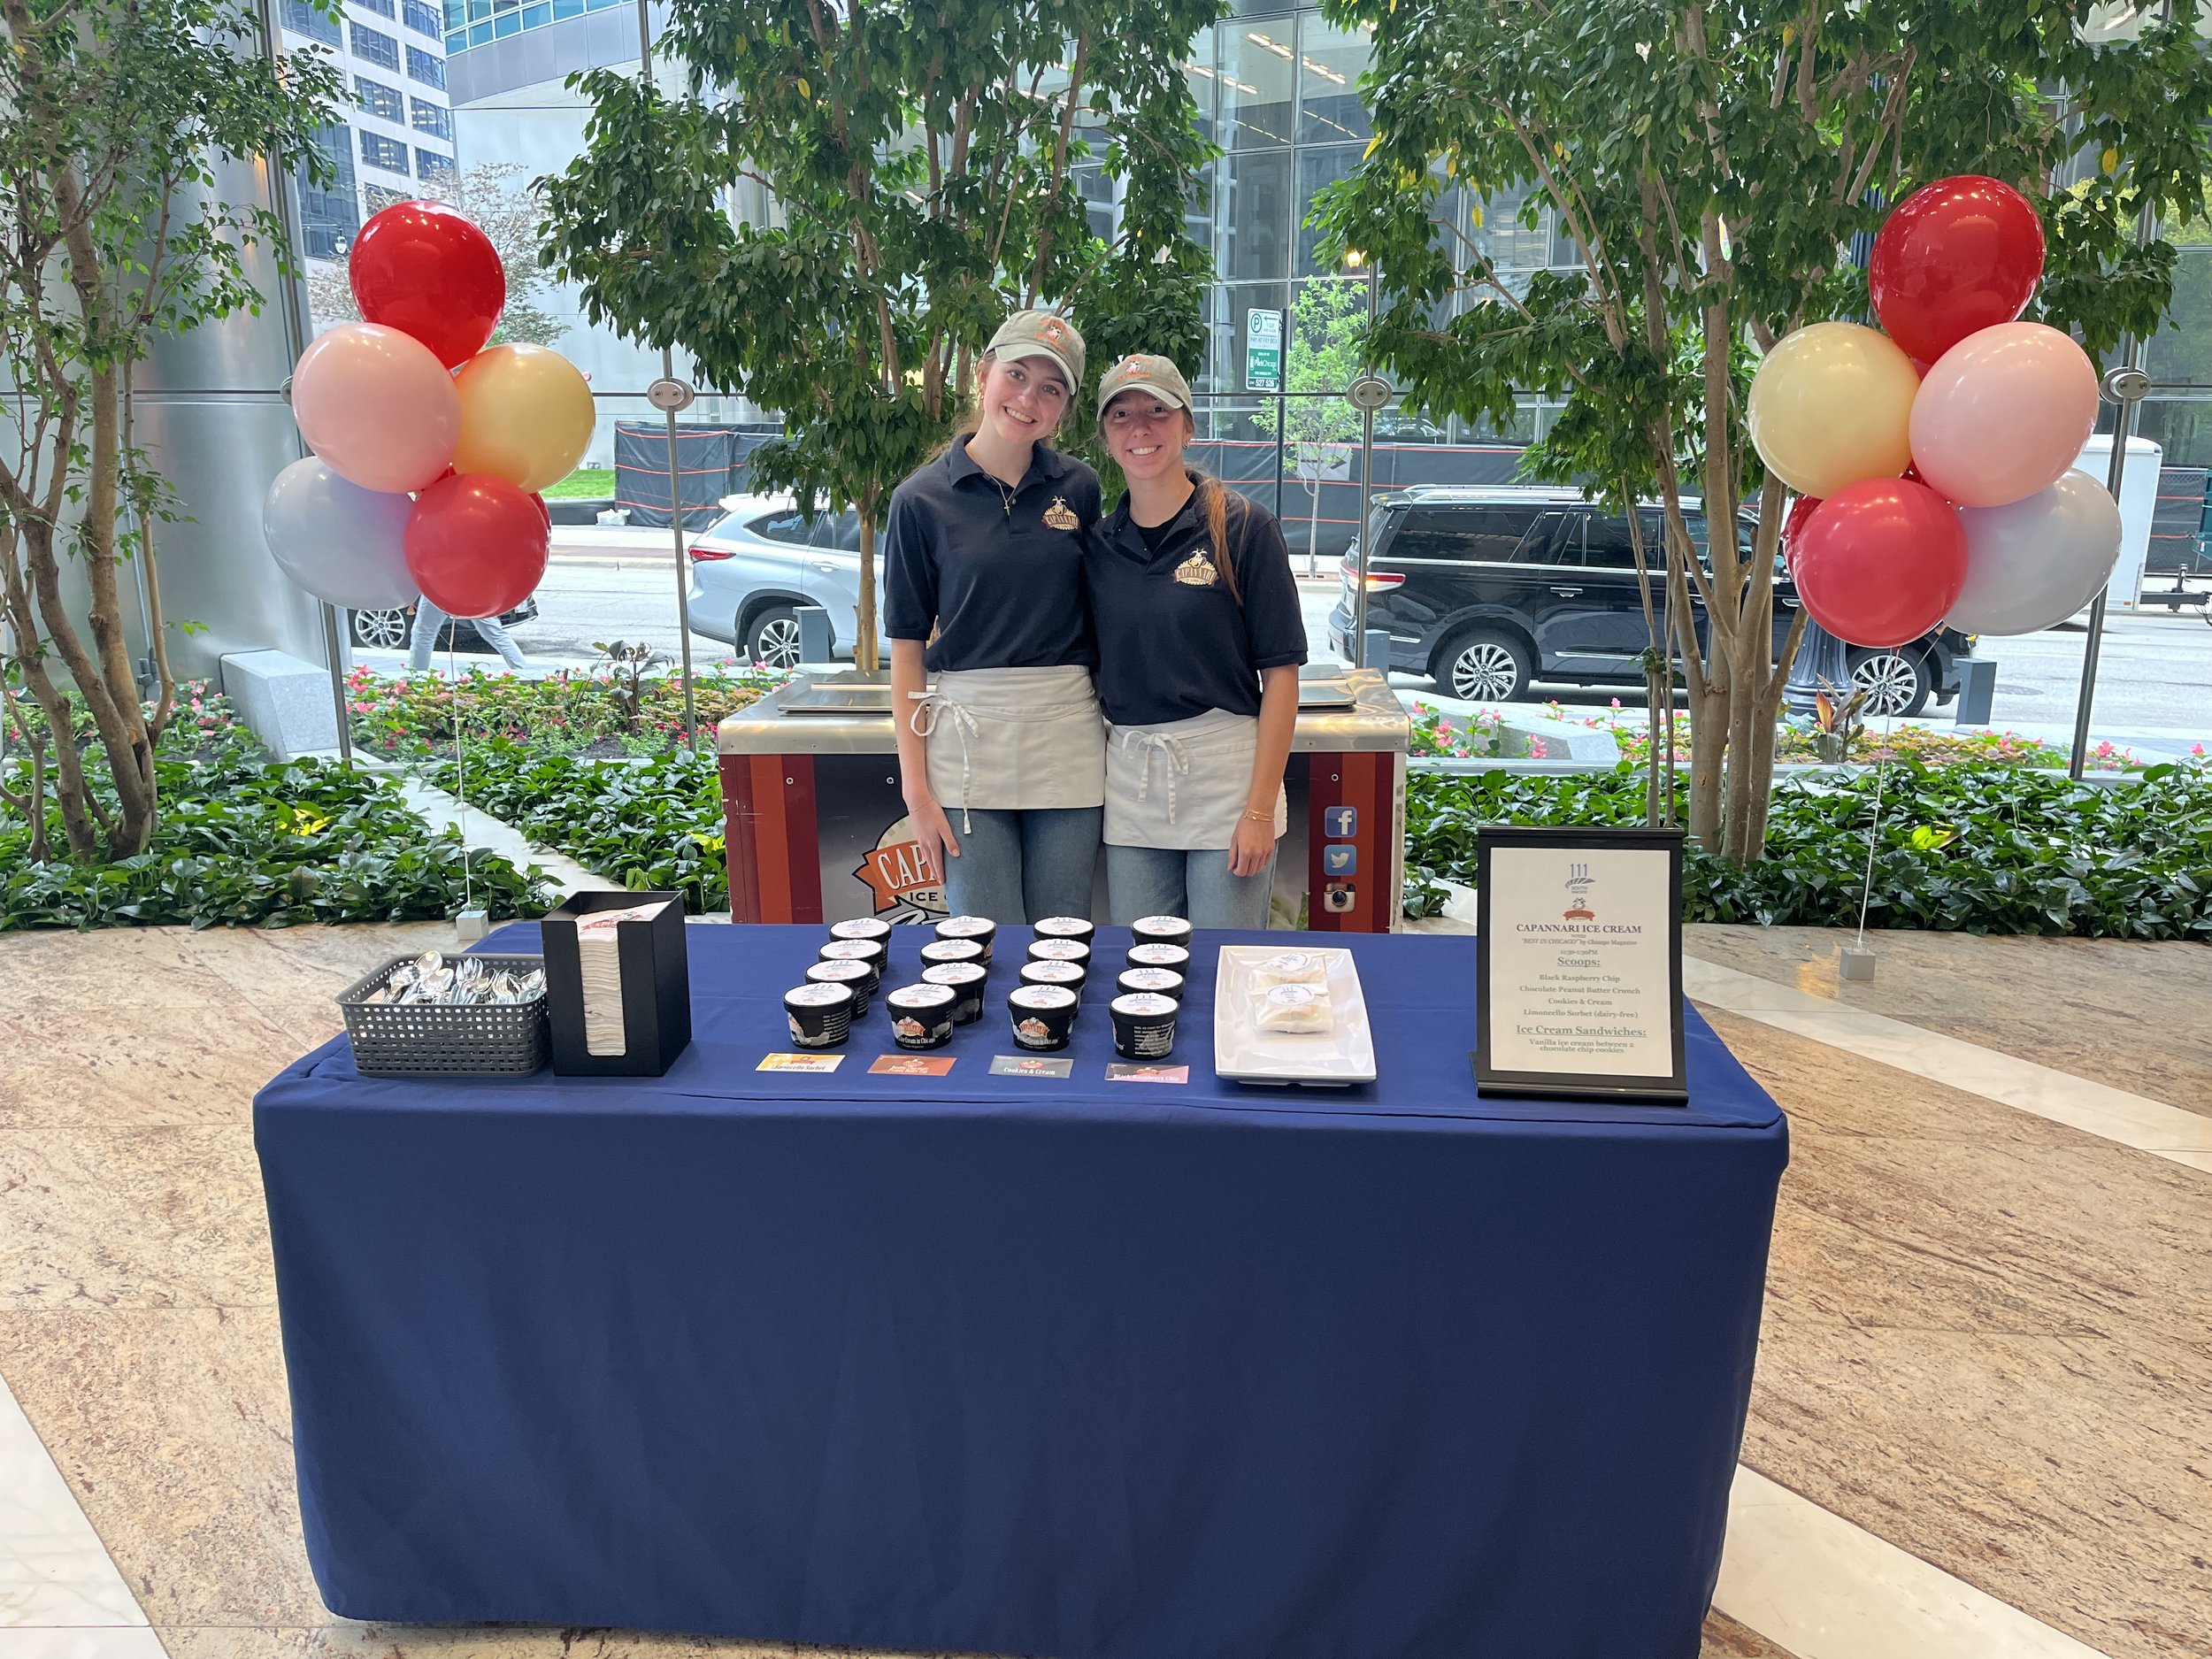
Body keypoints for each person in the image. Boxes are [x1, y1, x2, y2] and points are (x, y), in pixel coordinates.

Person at [884, 311, 1106, 923]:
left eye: (1051, 388)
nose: (1029, 398)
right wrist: (916, 789)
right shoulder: (919, 501)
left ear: (1064, 407)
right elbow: (906, 649)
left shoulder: (1080, 489)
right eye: (1016, 374)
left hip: (1067, 738)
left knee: (1062, 938)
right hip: (966, 745)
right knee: (982, 939)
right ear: (982, 375)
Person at [1083, 354, 1306, 928]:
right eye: (1122, 415)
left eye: (1159, 411)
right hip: (1133, 784)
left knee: (1222, 964)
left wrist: (1258, 809)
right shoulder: (1096, 547)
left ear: (1187, 424)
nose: (1141, 428)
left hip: (1228, 782)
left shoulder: (1243, 528)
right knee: (1146, 973)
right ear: (1105, 434)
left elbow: (1281, 677)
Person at [407, 596, 534, 673]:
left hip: (440, 580)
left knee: (424, 633)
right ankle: (522, 669)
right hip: (473, 581)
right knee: (494, 632)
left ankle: (418, 676)